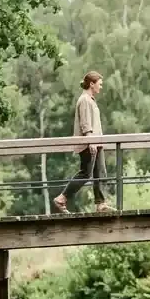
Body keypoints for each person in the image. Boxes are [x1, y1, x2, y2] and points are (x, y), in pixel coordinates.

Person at [54, 71, 113, 214]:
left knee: (100, 172)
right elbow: (85, 123)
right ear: (91, 84)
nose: (101, 87)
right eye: (100, 84)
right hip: (89, 143)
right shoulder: (84, 100)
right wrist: (90, 141)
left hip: (96, 142)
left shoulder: (90, 99)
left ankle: (101, 203)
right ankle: (62, 198)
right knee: (86, 173)